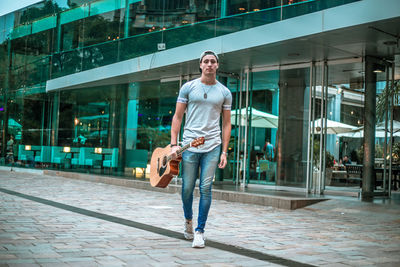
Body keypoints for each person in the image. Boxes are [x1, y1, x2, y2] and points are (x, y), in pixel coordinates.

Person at [170, 50, 232, 248]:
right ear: (200, 65)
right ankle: (188, 220)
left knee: (205, 187)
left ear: (217, 65)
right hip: (189, 145)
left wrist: (224, 151)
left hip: (212, 145)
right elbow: (178, 117)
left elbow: (226, 124)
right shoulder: (188, 88)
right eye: (206, 61)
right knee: (187, 188)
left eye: (213, 62)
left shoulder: (224, 92)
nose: (209, 65)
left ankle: (199, 231)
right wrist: (174, 143)